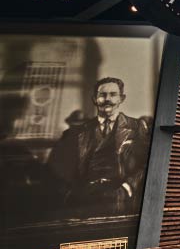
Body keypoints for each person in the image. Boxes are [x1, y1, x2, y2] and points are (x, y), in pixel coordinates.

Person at [47, 77, 151, 217]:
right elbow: (57, 169)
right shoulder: (78, 132)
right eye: (102, 95)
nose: (107, 99)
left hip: (123, 202)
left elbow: (148, 164)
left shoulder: (137, 127)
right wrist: (72, 194)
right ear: (94, 99)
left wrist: (127, 188)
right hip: (85, 202)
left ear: (122, 98)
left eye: (113, 95)